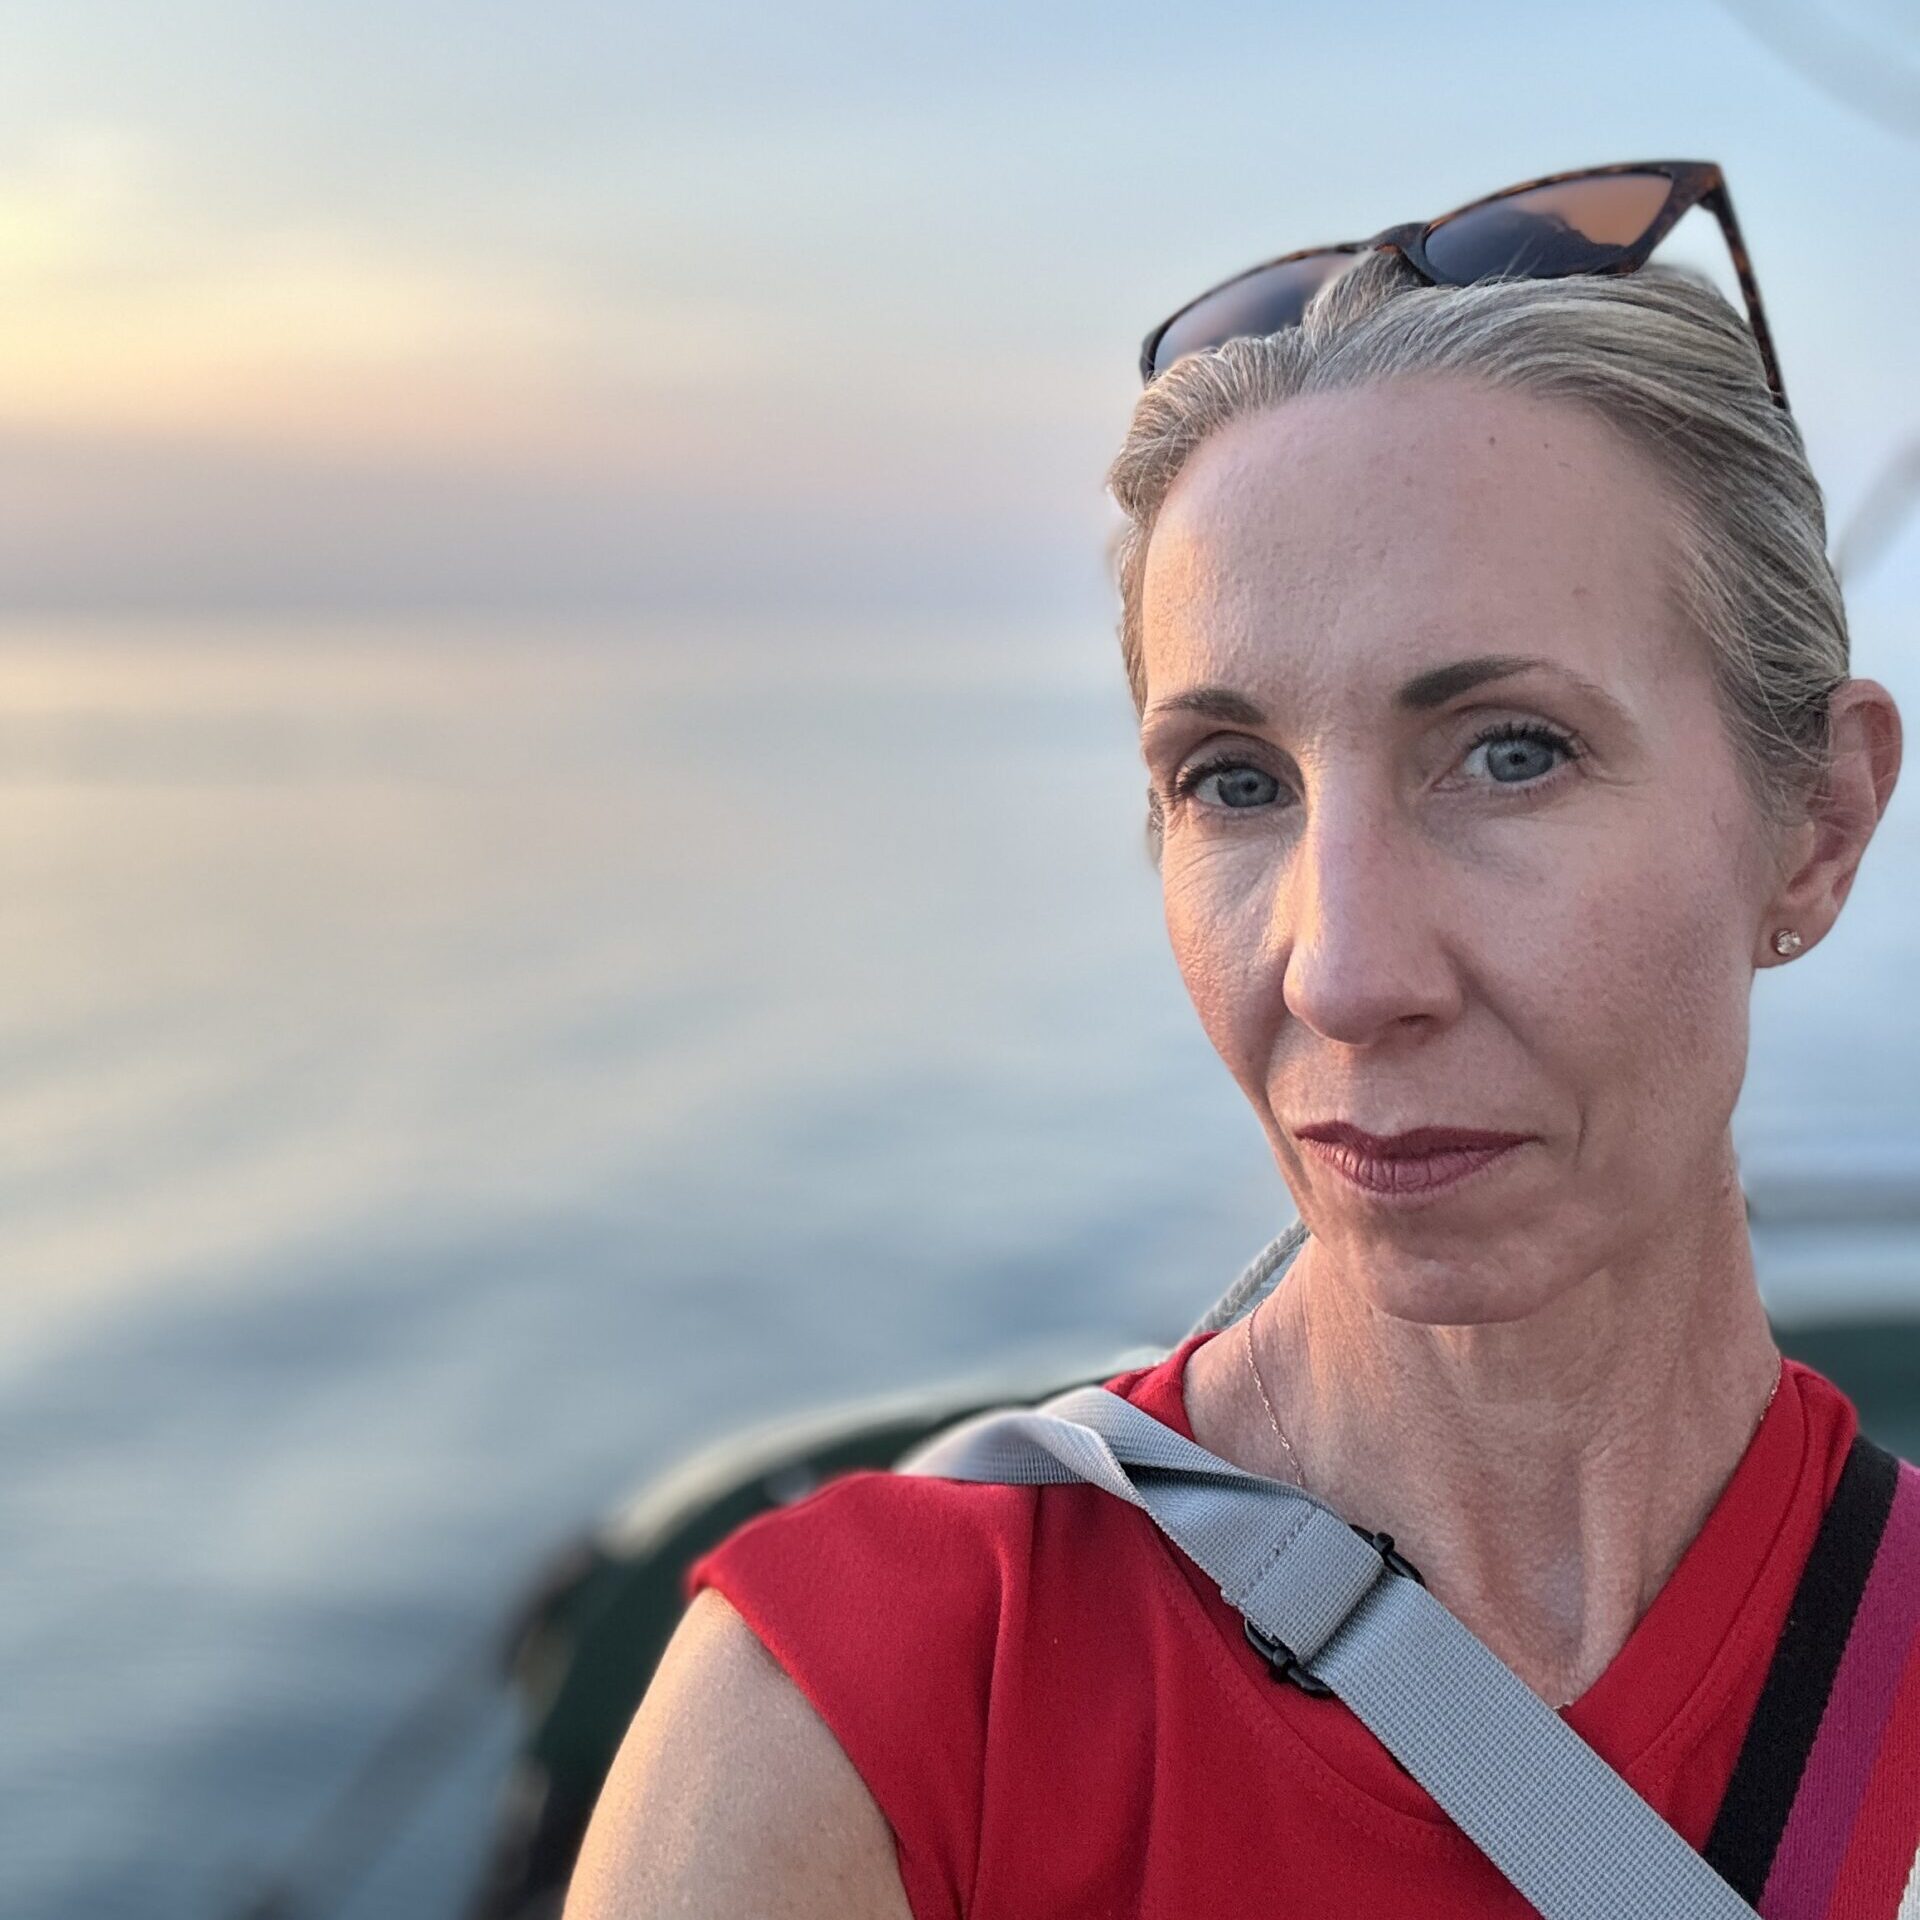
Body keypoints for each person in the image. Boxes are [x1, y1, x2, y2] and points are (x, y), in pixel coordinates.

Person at [563, 165, 1914, 1918]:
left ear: (1813, 823)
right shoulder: (865, 1714)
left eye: (1509, 752)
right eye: (1234, 782)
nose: (1342, 973)